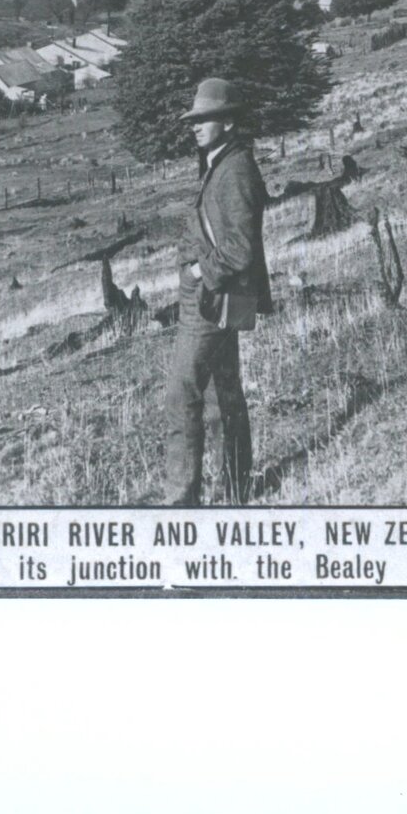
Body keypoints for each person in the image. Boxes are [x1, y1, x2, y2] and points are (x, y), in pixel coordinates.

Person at [166, 77, 273, 506]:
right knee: (224, 393)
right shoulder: (221, 162)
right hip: (222, 296)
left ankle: (181, 501)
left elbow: (242, 247)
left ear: (227, 122)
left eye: (205, 119)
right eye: (194, 120)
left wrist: (198, 271)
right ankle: (235, 489)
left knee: (182, 393)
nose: (195, 127)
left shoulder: (235, 169)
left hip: (212, 298)